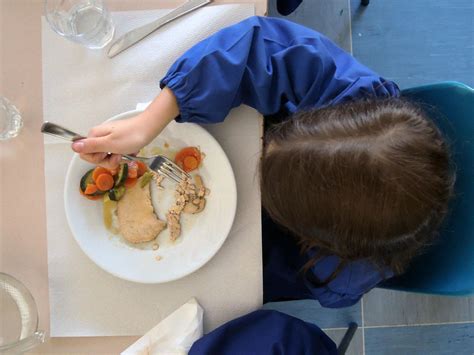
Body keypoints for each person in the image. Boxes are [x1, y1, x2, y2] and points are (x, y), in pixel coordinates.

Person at [71, 17, 454, 307]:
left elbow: (299, 285)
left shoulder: (343, 269)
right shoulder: (350, 94)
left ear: (316, 233)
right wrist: (150, 120)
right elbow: (260, 44)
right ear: (333, 117)